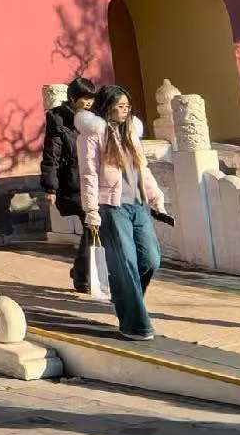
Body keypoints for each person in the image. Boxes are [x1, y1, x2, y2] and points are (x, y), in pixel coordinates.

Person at [76, 83, 168, 339]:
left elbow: (142, 168)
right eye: (120, 106)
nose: (126, 110)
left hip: (138, 204)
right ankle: (135, 326)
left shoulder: (130, 132)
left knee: (150, 259)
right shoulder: (91, 135)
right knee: (125, 264)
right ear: (107, 107)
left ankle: (124, 296)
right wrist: (91, 210)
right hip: (111, 207)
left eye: (128, 106)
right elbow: (88, 175)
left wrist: (155, 195)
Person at [42, 80, 99, 292]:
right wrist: (50, 187)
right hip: (73, 182)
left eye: (91, 98)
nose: (89, 102)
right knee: (92, 225)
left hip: (94, 181)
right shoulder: (58, 119)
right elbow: (52, 155)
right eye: (85, 98)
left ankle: (81, 272)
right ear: (73, 98)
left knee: (94, 227)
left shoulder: (95, 118)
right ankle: (82, 274)